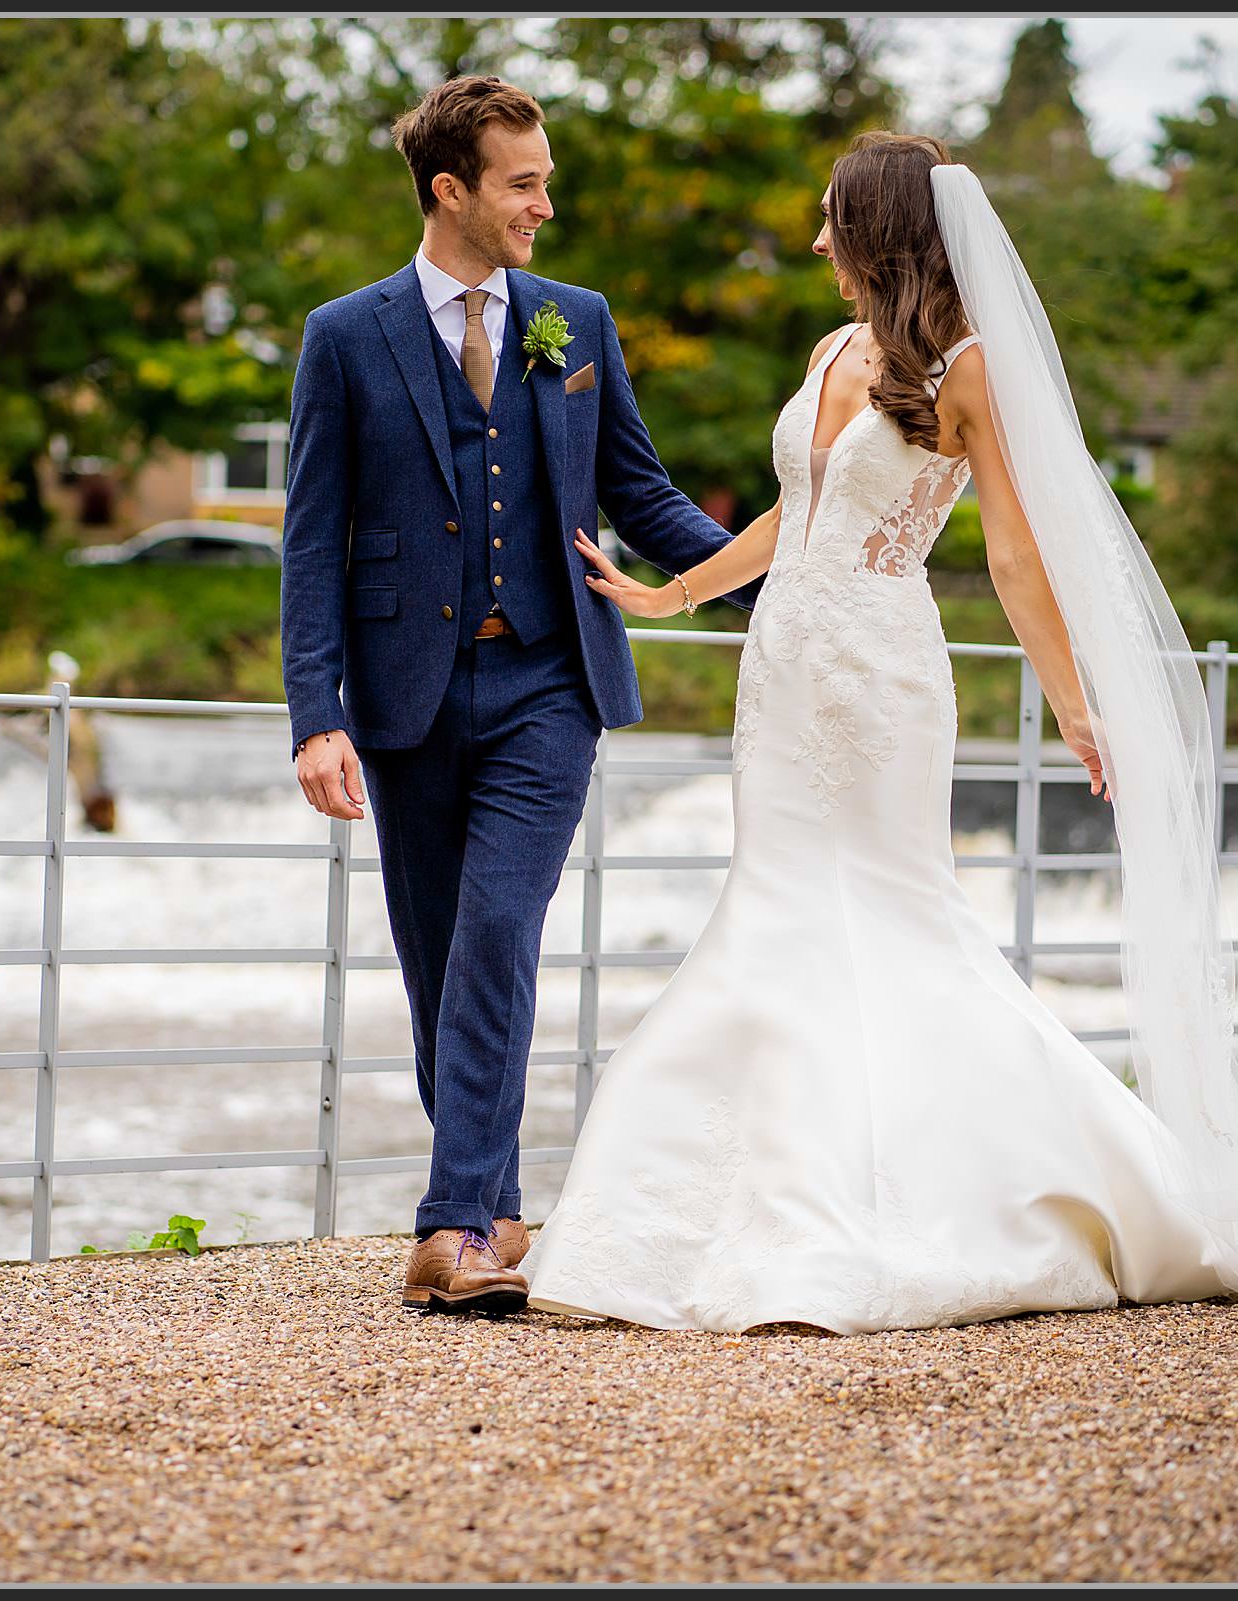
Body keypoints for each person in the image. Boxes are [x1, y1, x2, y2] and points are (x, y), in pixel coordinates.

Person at [520, 131, 1238, 1333]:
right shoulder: (830, 347)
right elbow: (799, 515)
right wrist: (672, 592)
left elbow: (1011, 553)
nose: (815, 242)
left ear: (882, 228)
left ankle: (961, 1197)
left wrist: (1070, 697)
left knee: (904, 924)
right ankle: (753, 1208)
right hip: (781, 676)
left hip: (882, 681)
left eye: (832, 220)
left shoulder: (969, 367)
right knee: (773, 909)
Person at [279, 75, 763, 1316]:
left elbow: (642, 494)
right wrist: (314, 713)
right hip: (403, 695)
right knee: (439, 956)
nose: (547, 203)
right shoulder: (346, 335)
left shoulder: (576, 322)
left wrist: (776, 582)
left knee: (498, 929)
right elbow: (313, 538)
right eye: (524, 183)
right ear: (451, 190)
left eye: (545, 178)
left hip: (553, 678)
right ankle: (492, 1204)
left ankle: (450, 1230)